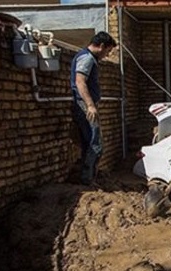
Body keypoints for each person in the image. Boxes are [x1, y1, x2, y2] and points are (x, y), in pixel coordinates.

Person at [70, 31, 117, 185]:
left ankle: (87, 178)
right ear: (101, 46)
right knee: (95, 144)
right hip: (84, 106)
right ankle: (87, 180)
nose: (107, 55)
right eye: (108, 51)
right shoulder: (87, 58)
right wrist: (90, 105)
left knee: (88, 143)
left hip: (84, 105)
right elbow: (80, 81)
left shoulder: (87, 57)